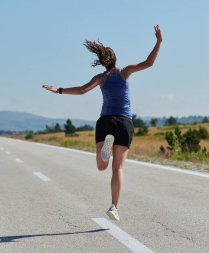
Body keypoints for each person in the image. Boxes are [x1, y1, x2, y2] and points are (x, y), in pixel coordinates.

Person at [42, 25, 162, 221]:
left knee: (101, 166)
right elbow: (149, 63)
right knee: (118, 168)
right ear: (115, 59)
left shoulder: (101, 77)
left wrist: (60, 90)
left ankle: (104, 153)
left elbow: (81, 90)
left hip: (106, 121)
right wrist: (158, 42)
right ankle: (114, 206)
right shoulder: (125, 72)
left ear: (101, 62)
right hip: (124, 122)